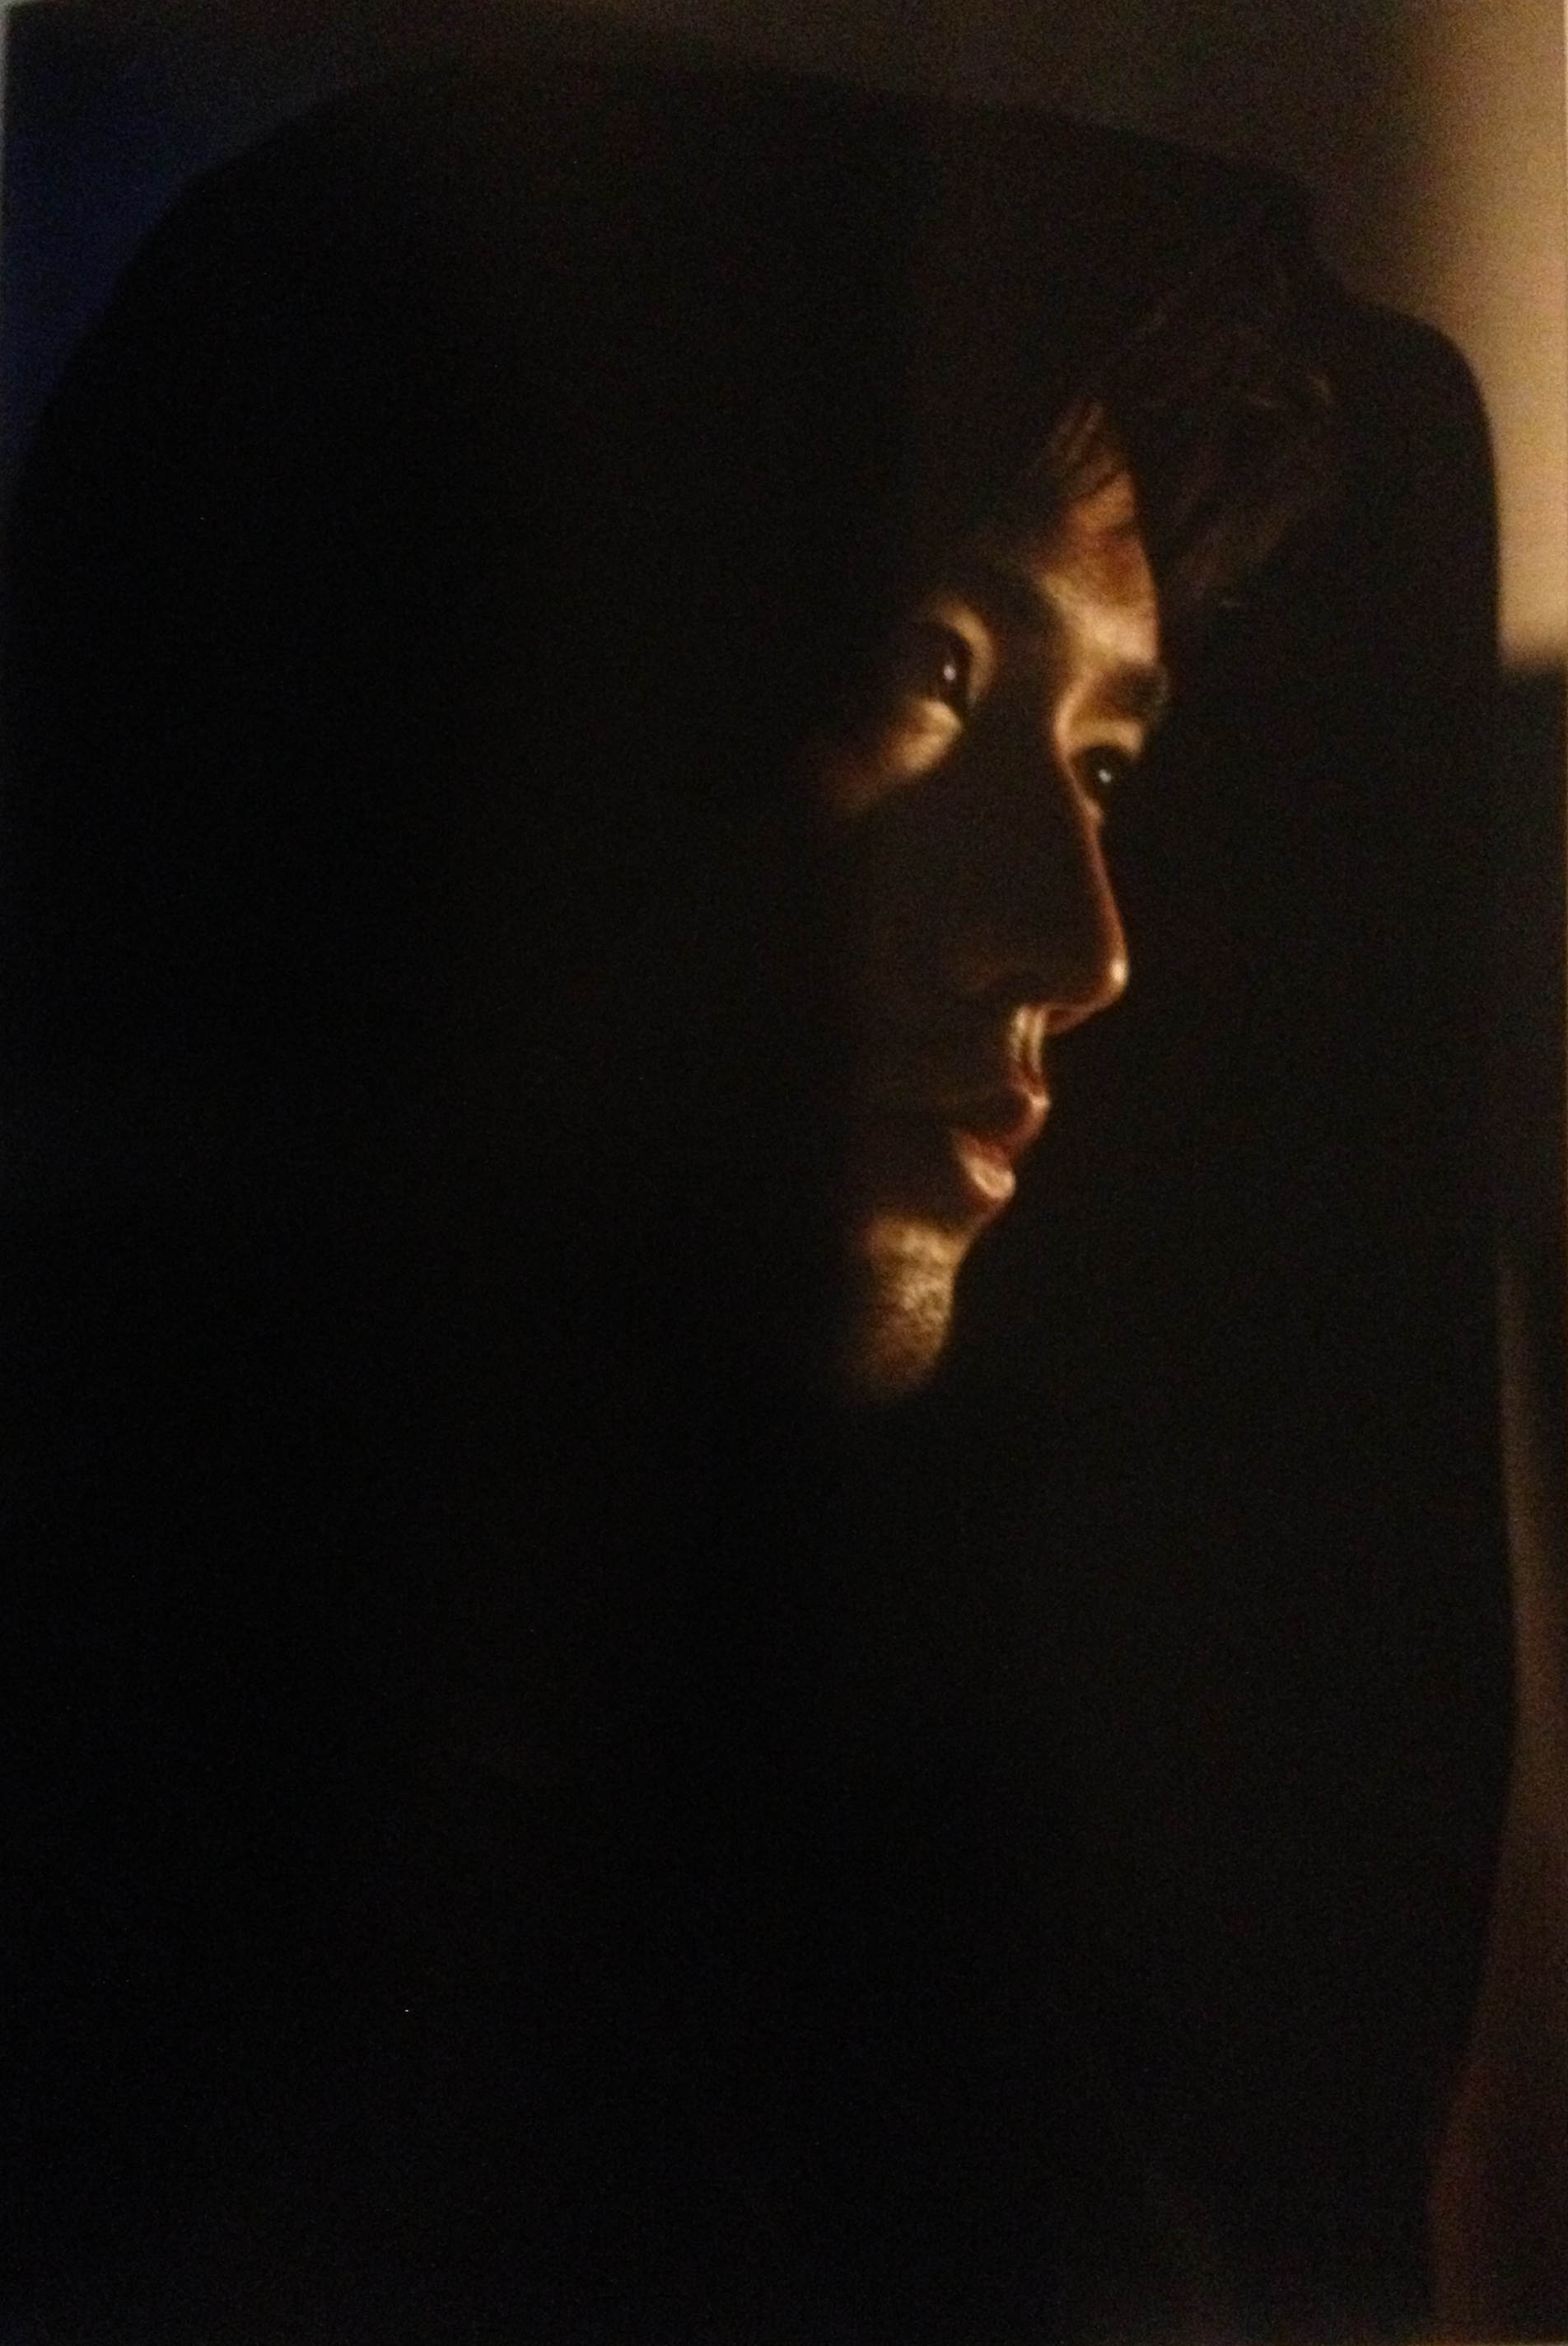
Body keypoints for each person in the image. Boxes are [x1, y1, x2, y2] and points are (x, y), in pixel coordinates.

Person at [0, 39, 1505, 2345]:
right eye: (928, 664)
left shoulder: (945, 1980)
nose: (1084, 941)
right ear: (433, 674)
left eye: (1111, 760)